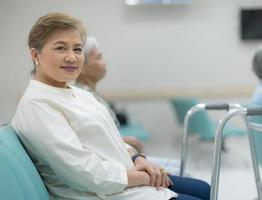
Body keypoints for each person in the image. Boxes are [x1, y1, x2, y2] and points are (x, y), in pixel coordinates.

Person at [12, 13, 210, 200]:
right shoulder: (38, 106)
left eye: (77, 49)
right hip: (99, 193)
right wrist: (145, 177)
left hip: (124, 179)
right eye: (60, 48)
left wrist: (138, 159)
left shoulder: (77, 93)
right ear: (35, 54)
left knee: (204, 189)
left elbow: (111, 139)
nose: (72, 57)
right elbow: (85, 172)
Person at [75, 36, 144, 153]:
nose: (104, 62)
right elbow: (94, 145)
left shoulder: (90, 93)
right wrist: (126, 144)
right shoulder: (82, 98)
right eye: (99, 57)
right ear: (82, 67)